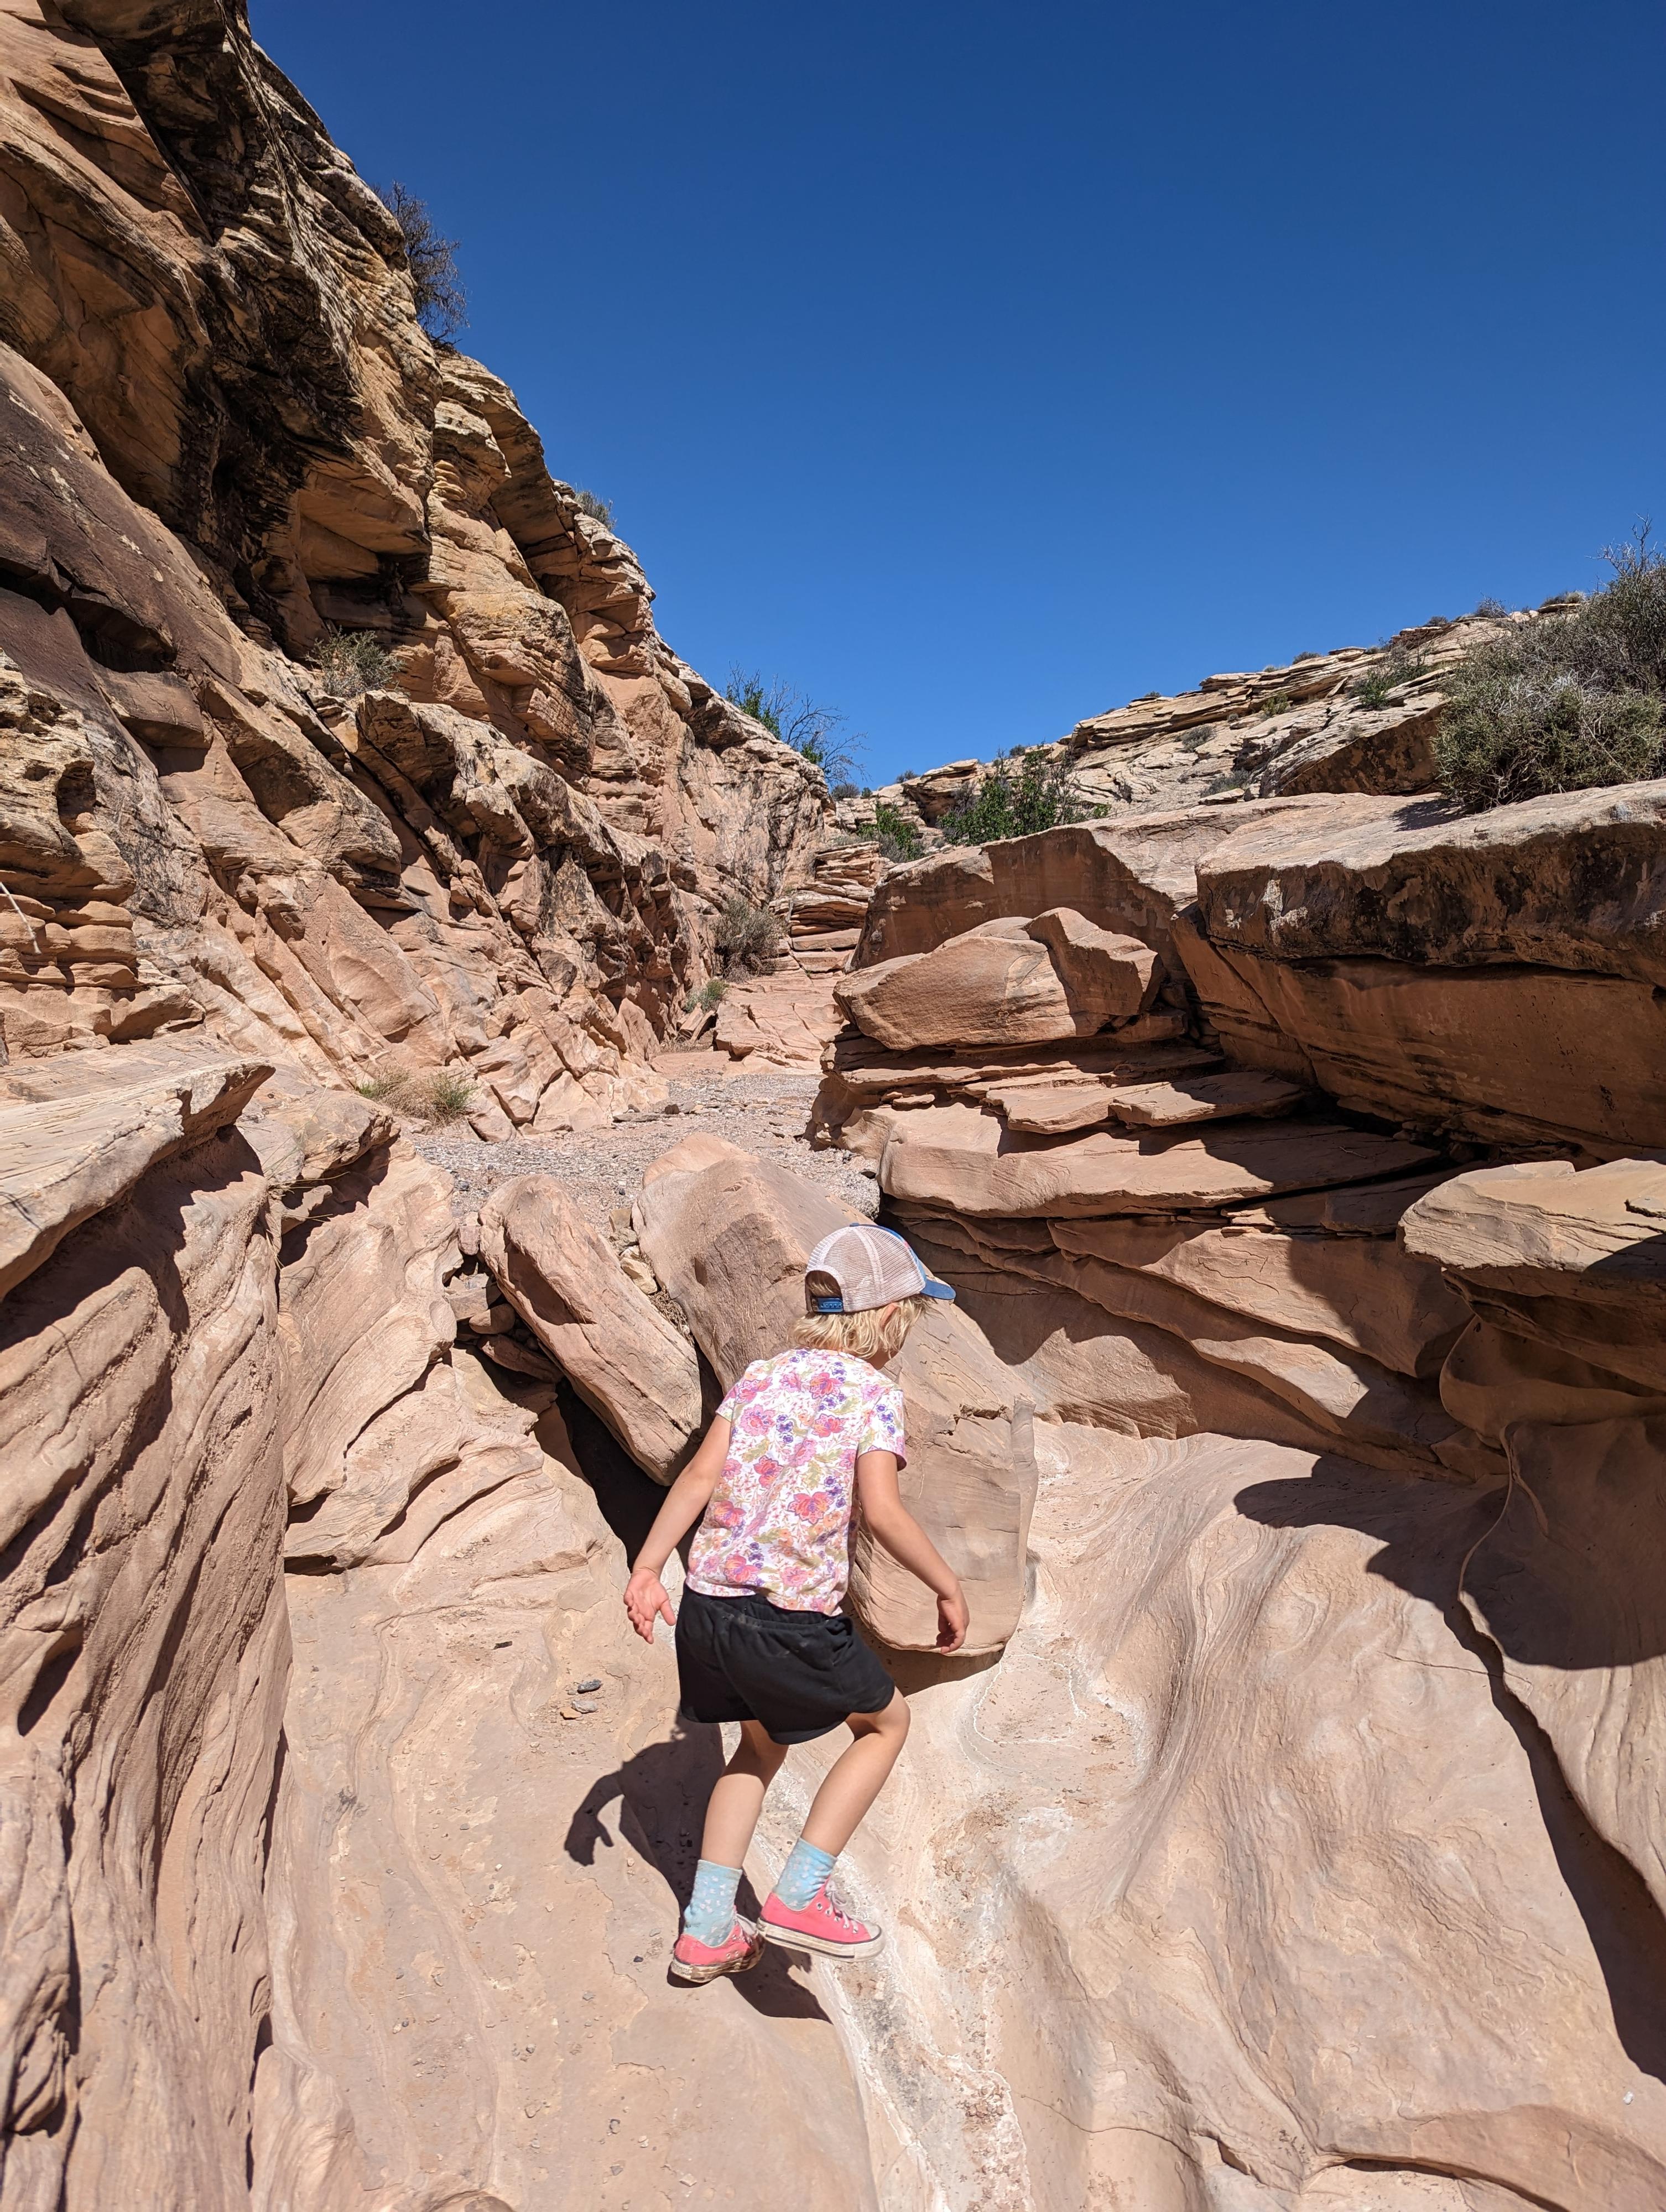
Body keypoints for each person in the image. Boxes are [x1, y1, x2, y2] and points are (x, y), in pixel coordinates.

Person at [623, 1223, 970, 1985]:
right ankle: (800, 1898)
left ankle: (708, 1929)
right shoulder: (875, 1394)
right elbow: (883, 1513)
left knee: (757, 1747)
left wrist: (648, 1568)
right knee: (885, 1724)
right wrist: (946, 1585)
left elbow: (698, 1478)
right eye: (911, 1317)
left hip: (710, 1605)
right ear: (888, 1316)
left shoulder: (762, 1375)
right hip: (789, 1615)